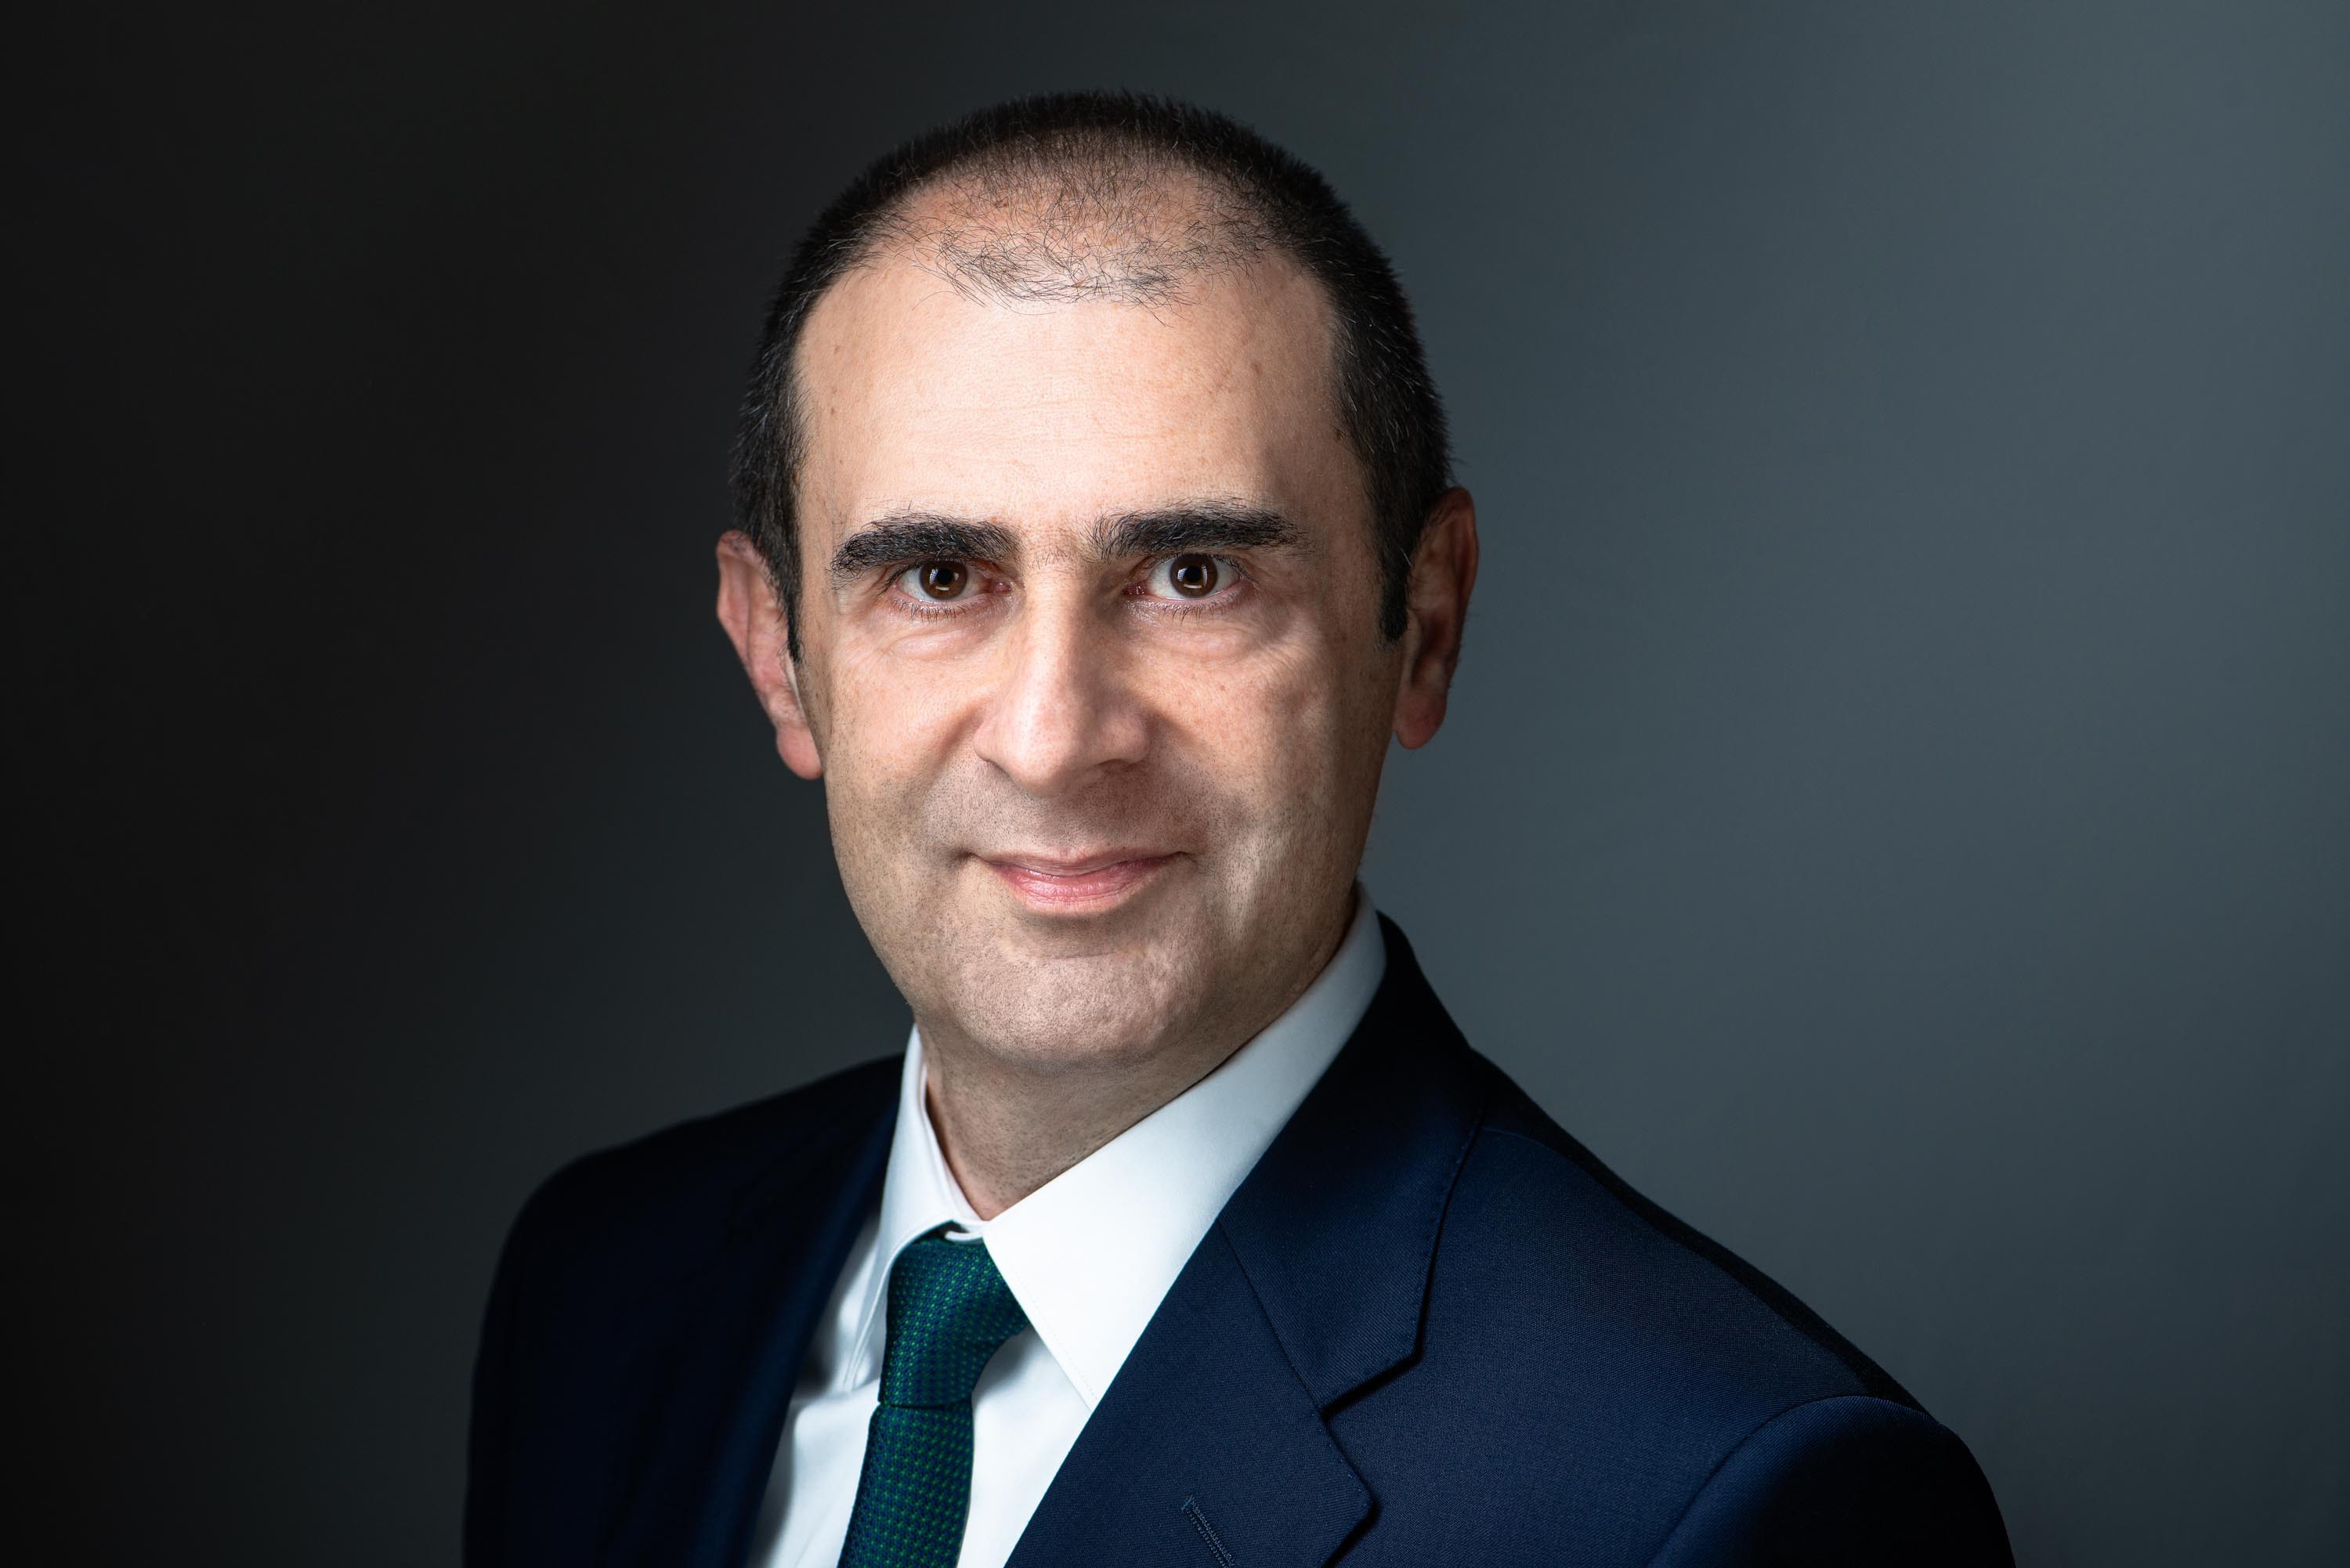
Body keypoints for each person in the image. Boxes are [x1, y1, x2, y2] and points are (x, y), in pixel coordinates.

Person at [464, 91, 2011, 1568]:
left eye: (1193, 576)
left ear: (1423, 624)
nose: (1054, 736)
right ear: (777, 651)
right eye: (940, 578)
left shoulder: (1724, 1496)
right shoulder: (604, 1289)